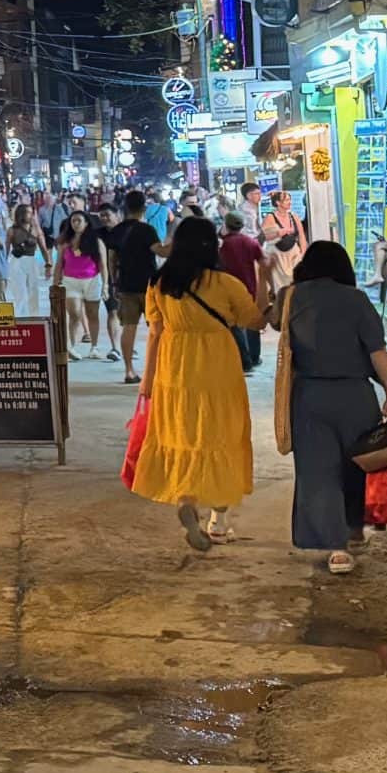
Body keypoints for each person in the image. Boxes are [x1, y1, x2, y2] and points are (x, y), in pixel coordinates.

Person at [126, 215, 258, 550]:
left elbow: (154, 334)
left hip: (175, 370)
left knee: (184, 434)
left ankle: (186, 497)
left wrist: (148, 380)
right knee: (221, 435)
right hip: (218, 369)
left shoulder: (159, 283)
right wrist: (266, 278)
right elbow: (255, 320)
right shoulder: (225, 284)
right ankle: (218, 521)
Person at [274, 240, 387, 574]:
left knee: (318, 472)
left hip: (309, 396)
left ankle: (336, 549)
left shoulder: (291, 297)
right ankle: (354, 528)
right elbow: (377, 352)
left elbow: (274, 324)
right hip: (355, 396)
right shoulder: (356, 299)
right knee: (358, 463)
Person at [104, 188, 163, 386]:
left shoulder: (117, 230)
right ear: (143, 208)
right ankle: (157, 370)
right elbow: (158, 251)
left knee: (128, 327)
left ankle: (129, 371)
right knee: (156, 328)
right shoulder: (147, 230)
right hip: (149, 284)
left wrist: (113, 283)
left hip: (126, 285)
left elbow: (111, 259)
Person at [217, 212, 267, 371]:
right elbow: (263, 262)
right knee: (252, 321)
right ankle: (254, 356)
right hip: (249, 286)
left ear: (227, 224)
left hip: (229, 288)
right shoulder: (250, 243)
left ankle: (244, 360)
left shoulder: (223, 245)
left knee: (236, 324)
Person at [55, 208, 107, 358]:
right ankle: (71, 345)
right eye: (73, 221)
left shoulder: (96, 242)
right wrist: (55, 283)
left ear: (86, 223)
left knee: (93, 314)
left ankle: (94, 347)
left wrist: (106, 284)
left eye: (79, 221)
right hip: (71, 281)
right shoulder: (65, 243)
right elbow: (59, 265)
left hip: (92, 280)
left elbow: (103, 264)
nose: (76, 224)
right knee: (75, 314)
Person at [2, 202, 49, 315]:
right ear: (20, 214)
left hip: (32, 261)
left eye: (31, 213)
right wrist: (3, 267)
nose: (30, 215)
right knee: (20, 293)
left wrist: (48, 264)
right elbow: (6, 250)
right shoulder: (12, 230)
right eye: (28, 213)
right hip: (17, 261)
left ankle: (34, 316)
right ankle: (21, 317)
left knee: (34, 291)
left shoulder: (36, 230)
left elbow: (44, 249)